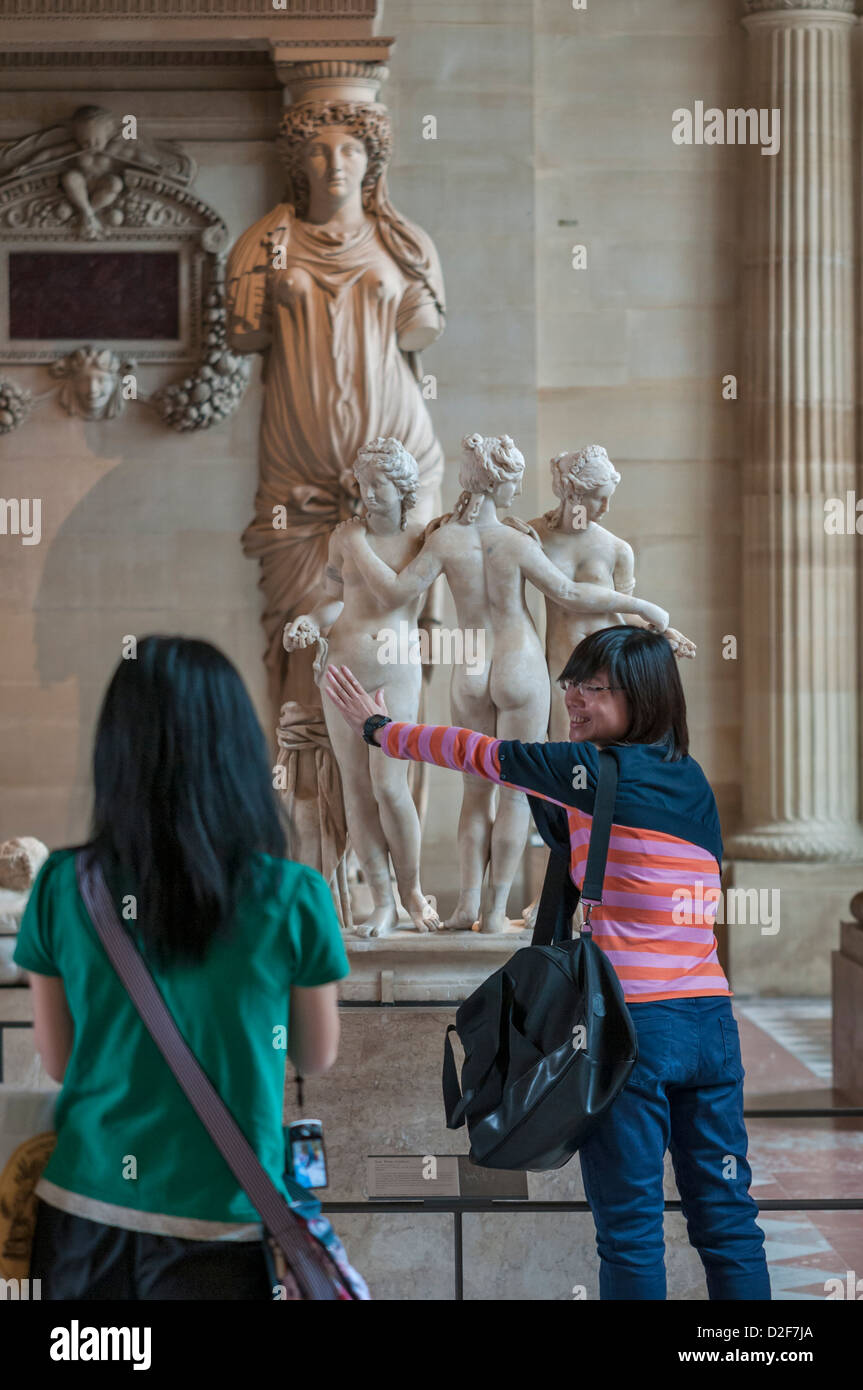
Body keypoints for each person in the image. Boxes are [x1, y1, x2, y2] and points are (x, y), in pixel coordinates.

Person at [324, 627, 771, 1301]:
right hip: (709, 1024)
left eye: (594, 688)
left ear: (642, 696)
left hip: (630, 1033)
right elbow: (582, 839)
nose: (575, 700)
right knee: (728, 1218)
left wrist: (379, 728)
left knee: (629, 1230)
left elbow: (480, 753)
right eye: (571, 685)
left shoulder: (589, 770)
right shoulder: (688, 778)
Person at [15, 636, 349, 1300]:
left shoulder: (61, 883)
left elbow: (59, 1061)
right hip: (223, 1225)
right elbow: (313, 1054)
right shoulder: (293, 895)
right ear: (237, 752)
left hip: (84, 1218)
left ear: (117, 751)